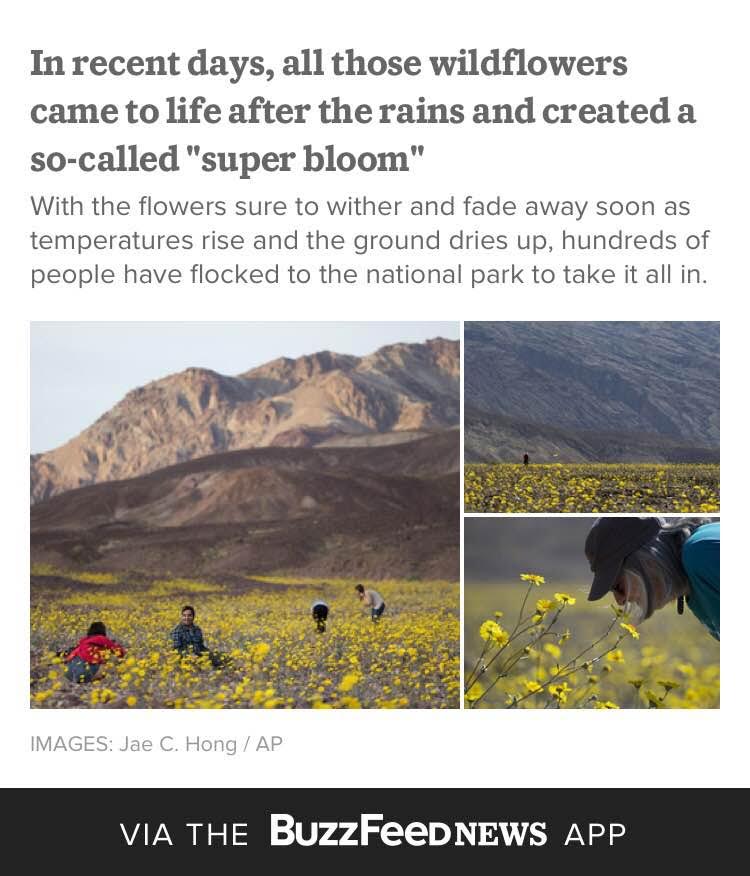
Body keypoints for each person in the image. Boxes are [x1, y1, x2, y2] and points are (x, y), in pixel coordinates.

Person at [585, 516, 719, 640]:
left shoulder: (701, 554)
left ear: (645, 560)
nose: (620, 601)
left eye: (619, 587)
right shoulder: (695, 590)